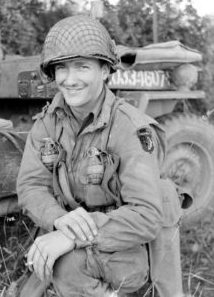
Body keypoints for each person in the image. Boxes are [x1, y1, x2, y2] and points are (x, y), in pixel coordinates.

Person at [17, 15, 184, 297]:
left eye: (82, 67)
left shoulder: (130, 128)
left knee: (70, 267)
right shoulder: (47, 123)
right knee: (48, 275)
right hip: (80, 233)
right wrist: (58, 219)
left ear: (105, 70)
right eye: (61, 68)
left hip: (124, 242)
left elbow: (145, 216)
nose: (69, 80)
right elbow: (30, 186)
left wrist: (71, 236)